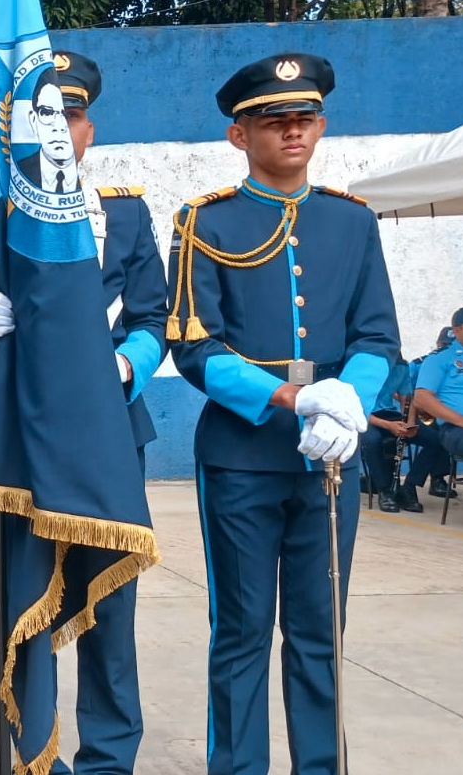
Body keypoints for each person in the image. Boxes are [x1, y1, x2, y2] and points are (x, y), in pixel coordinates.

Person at [166, 53, 399, 775]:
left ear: (321, 125)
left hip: (331, 456)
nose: (292, 132)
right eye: (274, 121)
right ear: (241, 135)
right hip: (242, 456)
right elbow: (193, 343)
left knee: (320, 629)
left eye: (303, 119)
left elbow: (377, 336)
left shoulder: (351, 222)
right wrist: (295, 396)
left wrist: (351, 400)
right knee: (240, 630)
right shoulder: (206, 222)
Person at [0, 50, 167, 775]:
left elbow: (152, 317)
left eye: (70, 117)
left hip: (110, 431)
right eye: (44, 118)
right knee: (27, 607)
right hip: (20, 439)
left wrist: (125, 365)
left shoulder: (129, 216)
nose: (59, 131)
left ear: (88, 130)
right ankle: (34, 758)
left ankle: (108, 760)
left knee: (111, 618)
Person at [405, 304, 463, 503]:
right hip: (459, 428)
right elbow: (422, 398)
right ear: (458, 330)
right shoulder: (440, 359)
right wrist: (461, 420)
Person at [359, 360, 416, 513]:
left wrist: (409, 423)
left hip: (388, 412)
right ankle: (385, 491)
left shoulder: (401, 366)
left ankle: (408, 487)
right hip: (366, 415)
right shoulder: (363, 365)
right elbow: (358, 409)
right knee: (372, 440)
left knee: (433, 438)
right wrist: (389, 426)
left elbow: (407, 399)